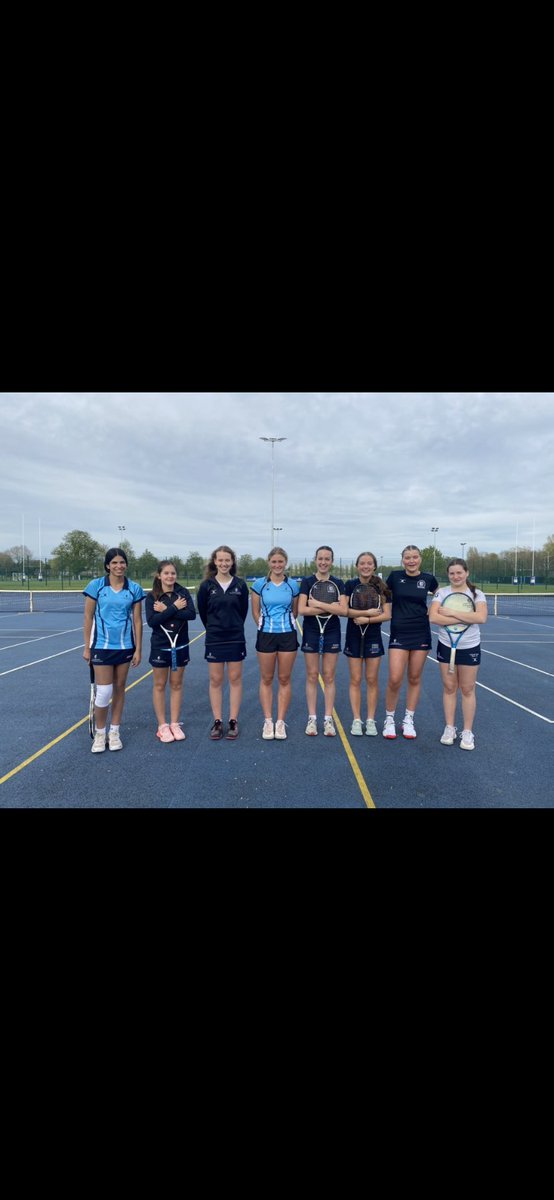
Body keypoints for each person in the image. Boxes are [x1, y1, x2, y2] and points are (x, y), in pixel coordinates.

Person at [83, 548, 144, 753]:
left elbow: (137, 620)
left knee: (119, 688)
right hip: (101, 646)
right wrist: (87, 647)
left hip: (125, 646)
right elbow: (88, 617)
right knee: (104, 691)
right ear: (108, 565)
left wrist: (138, 649)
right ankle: (100, 733)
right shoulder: (96, 586)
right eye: (115, 563)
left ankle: (114, 732)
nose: (119, 566)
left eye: (122, 562)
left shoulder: (134, 588)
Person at [429, 558, 488, 751]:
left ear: (466, 573)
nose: (456, 576)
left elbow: (480, 617)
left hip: (470, 646)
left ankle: (468, 732)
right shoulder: (441, 593)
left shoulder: (476, 594)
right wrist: (462, 616)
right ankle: (449, 728)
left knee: (468, 689)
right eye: (452, 573)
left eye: (459, 573)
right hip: (446, 645)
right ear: (448, 575)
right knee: (449, 687)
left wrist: (451, 612)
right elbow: (434, 617)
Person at [383, 545, 438, 740]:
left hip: (421, 632)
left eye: (415, 557)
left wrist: (434, 610)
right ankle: (389, 719)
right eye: (407, 557)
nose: (411, 561)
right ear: (402, 560)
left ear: (420, 559)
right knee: (395, 678)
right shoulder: (395, 577)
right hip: (399, 631)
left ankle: (408, 720)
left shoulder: (428, 579)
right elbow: (383, 594)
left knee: (414, 678)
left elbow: (442, 595)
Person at [197, 546, 250, 740]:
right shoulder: (206, 586)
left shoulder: (241, 585)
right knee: (216, 680)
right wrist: (214, 628)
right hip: (215, 639)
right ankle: (218, 721)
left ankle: (233, 720)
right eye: (220, 560)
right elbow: (203, 613)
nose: (224, 563)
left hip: (235, 637)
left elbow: (243, 611)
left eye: (227, 560)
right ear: (214, 562)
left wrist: (233, 626)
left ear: (232, 562)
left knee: (235, 679)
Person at [251, 547, 300, 740]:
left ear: (285, 563)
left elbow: (295, 612)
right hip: (266, 636)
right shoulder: (259, 584)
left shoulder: (293, 585)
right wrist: (266, 626)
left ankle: (280, 722)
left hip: (288, 635)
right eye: (274, 562)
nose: (277, 565)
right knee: (266, 679)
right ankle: (268, 721)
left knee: (285, 679)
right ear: (269, 563)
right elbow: (255, 611)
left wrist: (283, 625)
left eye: (281, 562)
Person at [145, 561, 197, 743]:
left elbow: (191, 614)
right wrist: (175, 608)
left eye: (173, 573)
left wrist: (167, 610)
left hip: (180, 645)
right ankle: (162, 726)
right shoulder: (152, 597)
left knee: (176, 685)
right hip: (160, 645)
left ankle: (174, 723)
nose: (170, 576)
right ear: (159, 575)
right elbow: (152, 621)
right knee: (159, 685)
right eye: (166, 573)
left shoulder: (183, 593)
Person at [298, 546, 347, 737]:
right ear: (315, 560)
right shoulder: (307, 582)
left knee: (329, 676)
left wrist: (317, 604)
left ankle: (328, 719)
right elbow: (302, 609)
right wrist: (330, 607)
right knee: (312, 675)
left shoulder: (338, 583)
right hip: (311, 630)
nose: (323, 562)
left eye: (327, 559)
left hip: (332, 631)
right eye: (320, 558)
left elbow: (343, 611)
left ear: (332, 561)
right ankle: (312, 718)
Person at [344, 552, 392, 736]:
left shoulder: (382, 587)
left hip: (373, 637)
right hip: (353, 636)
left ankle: (370, 720)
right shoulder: (350, 585)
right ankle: (357, 720)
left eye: (369, 563)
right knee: (355, 679)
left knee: (372, 680)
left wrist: (368, 619)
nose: (365, 566)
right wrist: (362, 614)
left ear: (374, 566)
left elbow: (387, 614)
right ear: (357, 566)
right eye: (362, 563)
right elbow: (344, 611)